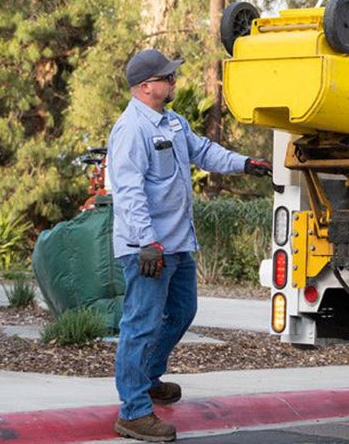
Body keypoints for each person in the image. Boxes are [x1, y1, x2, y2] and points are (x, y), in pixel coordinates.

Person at [108, 48, 272, 442]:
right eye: (166, 78)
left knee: (183, 310)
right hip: (148, 249)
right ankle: (133, 410)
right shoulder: (132, 129)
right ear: (145, 87)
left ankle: (147, 378)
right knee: (141, 324)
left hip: (178, 243)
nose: (173, 81)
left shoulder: (172, 122)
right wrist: (147, 242)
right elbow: (128, 191)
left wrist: (245, 163)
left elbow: (204, 152)